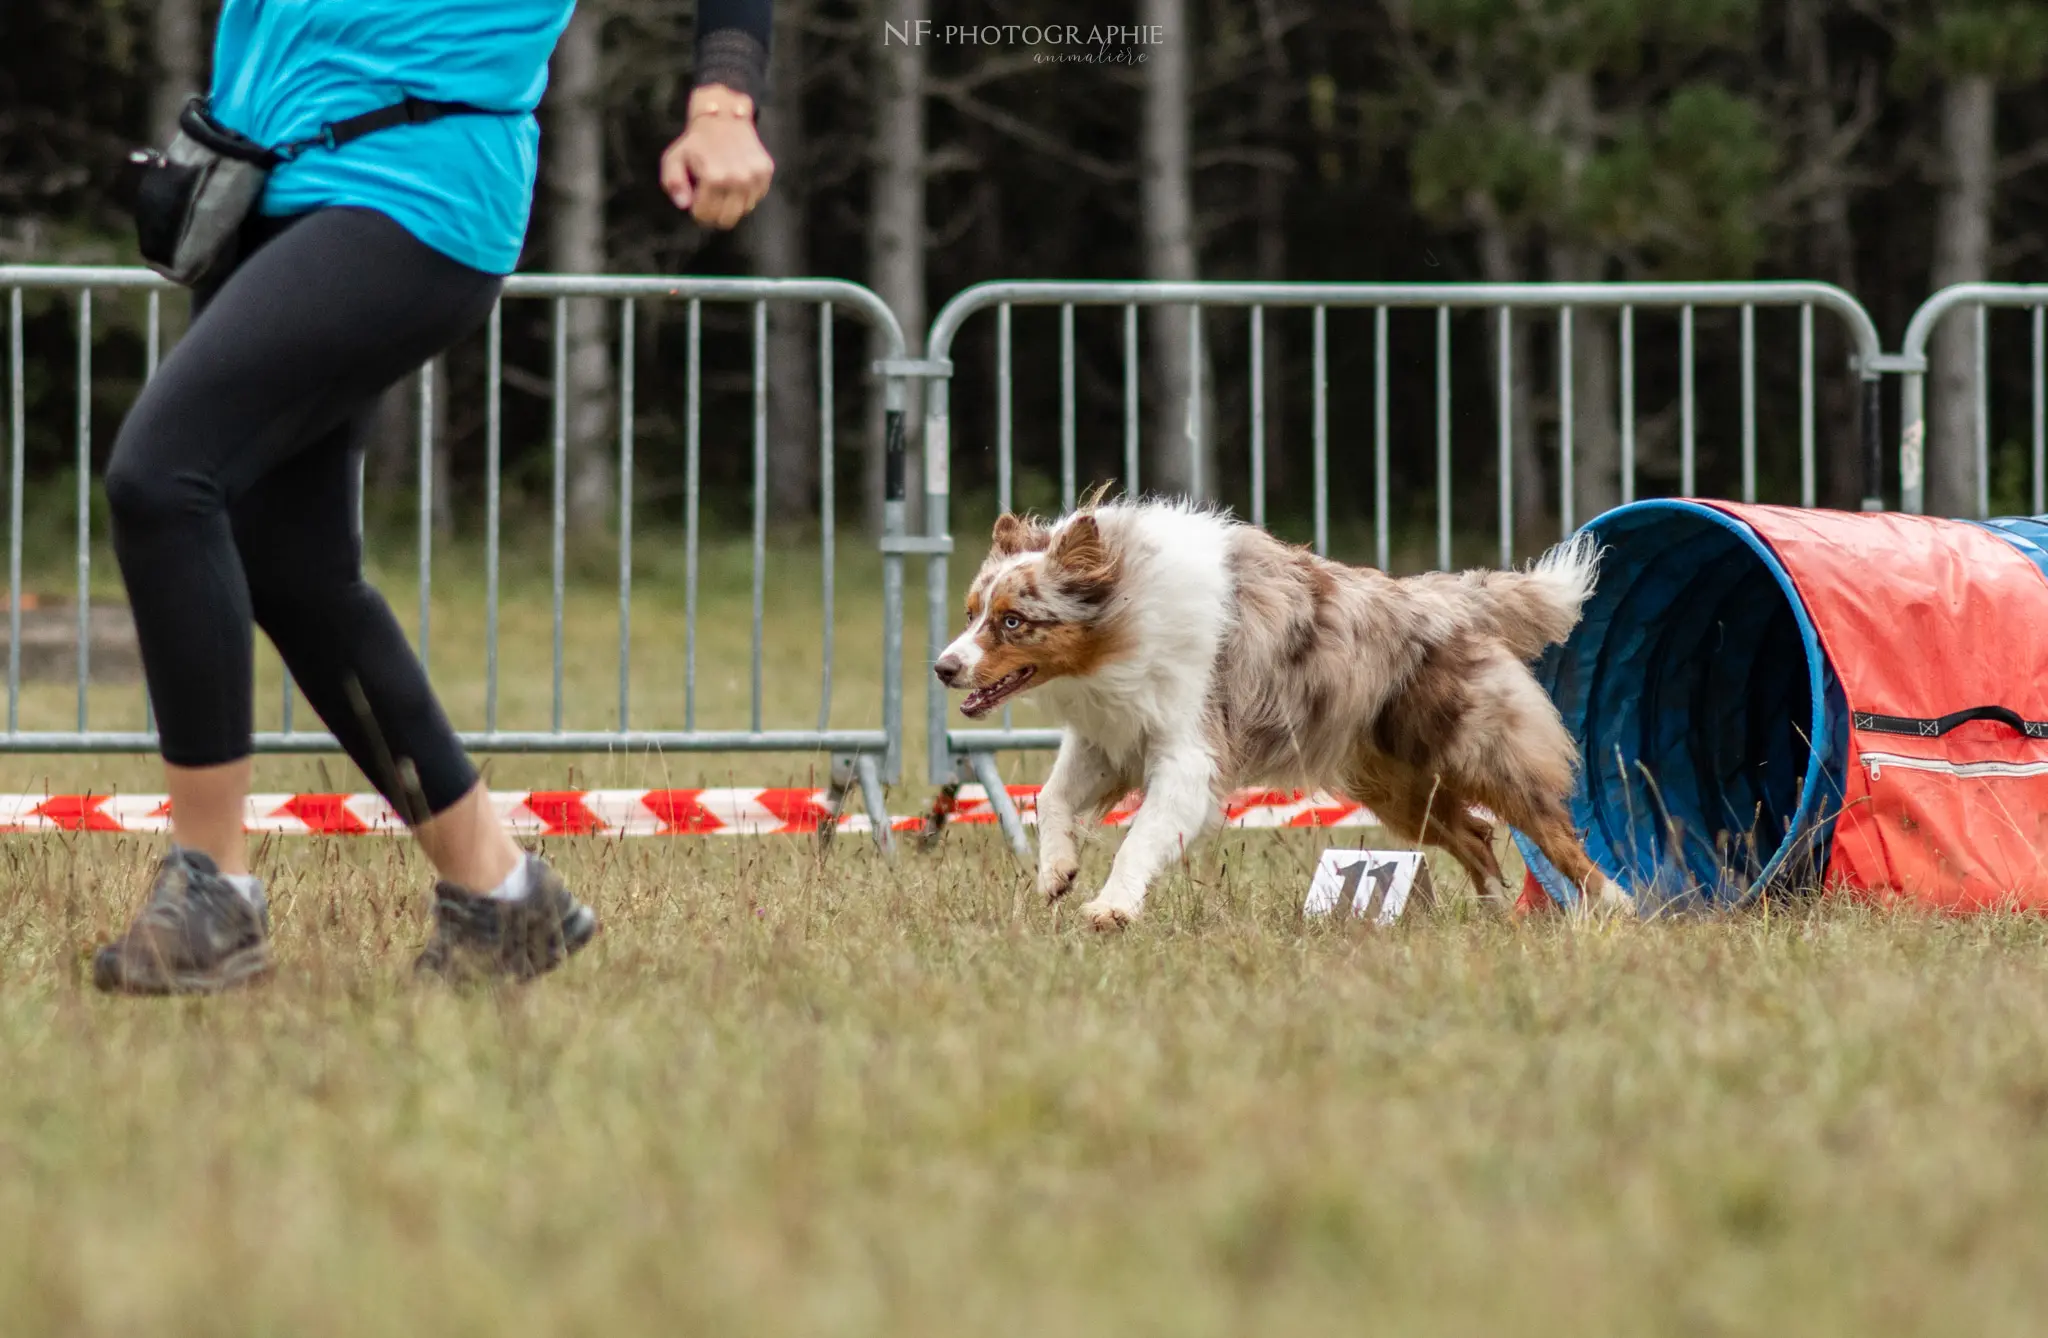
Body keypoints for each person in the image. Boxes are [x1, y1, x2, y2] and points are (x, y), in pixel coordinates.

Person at [92, 0, 775, 995]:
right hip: (266, 181)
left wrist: (724, 95)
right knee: (294, 571)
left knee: (161, 477)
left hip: (416, 181)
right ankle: (500, 897)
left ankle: (213, 894)